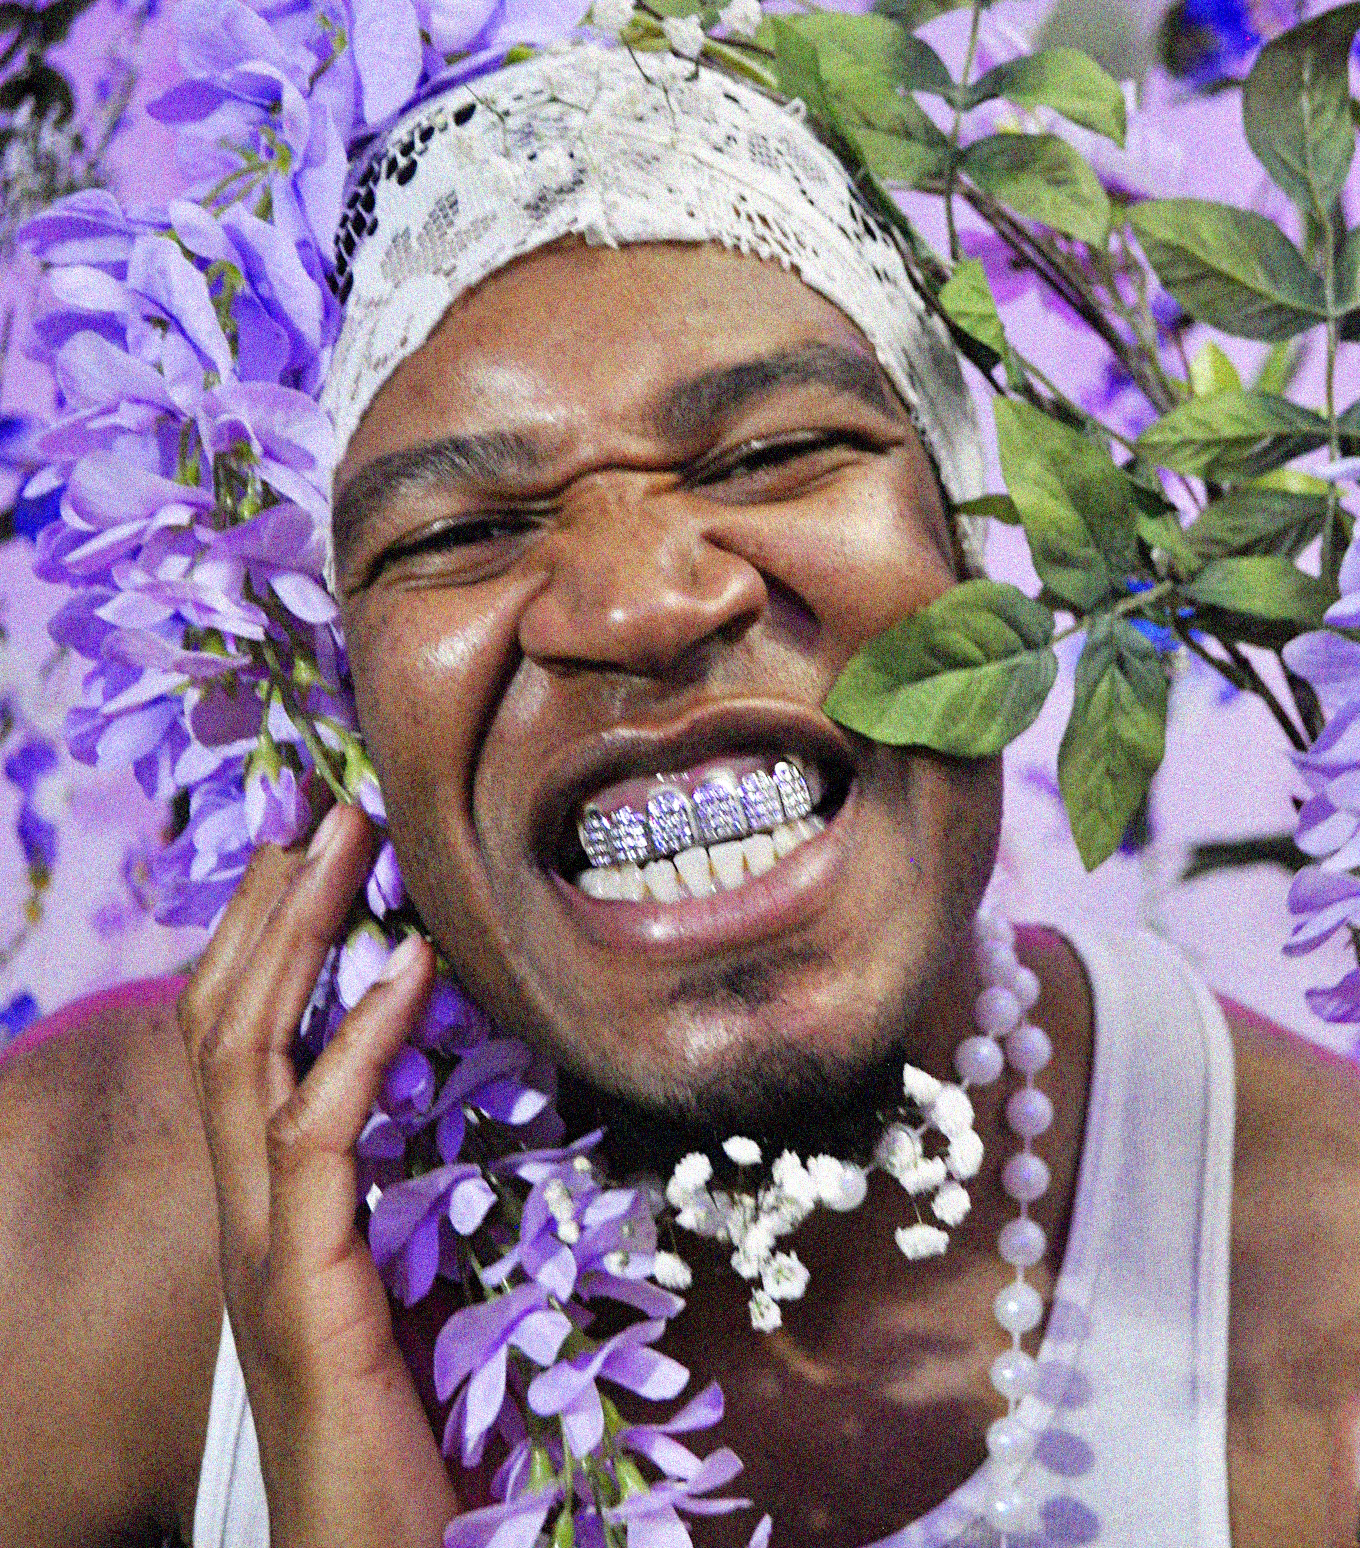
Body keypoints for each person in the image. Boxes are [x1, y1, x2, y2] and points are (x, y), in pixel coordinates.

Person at [2, 41, 1359, 1548]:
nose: (641, 603)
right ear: (332, 710)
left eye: (775, 452)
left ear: (976, 556)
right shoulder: (73, 1237)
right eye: (459, 530)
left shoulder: (1320, 1273)